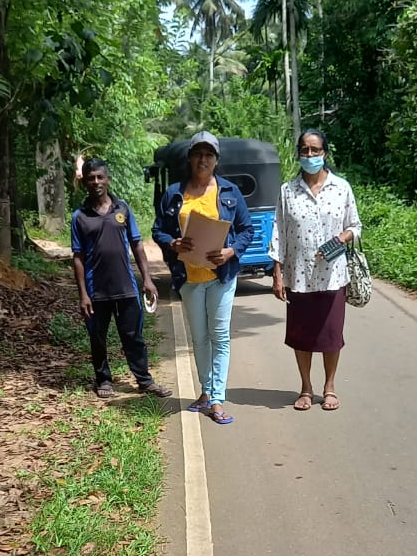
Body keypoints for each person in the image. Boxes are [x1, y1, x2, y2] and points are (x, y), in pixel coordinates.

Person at [152, 131, 254, 425]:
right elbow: (158, 230)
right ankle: (206, 393)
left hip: (221, 275)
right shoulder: (174, 193)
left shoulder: (230, 193)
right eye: (198, 153)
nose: (203, 159)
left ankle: (217, 399)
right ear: (190, 158)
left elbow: (247, 230)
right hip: (189, 277)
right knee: (199, 338)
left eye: (209, 155)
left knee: (219, 336)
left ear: (216, 160)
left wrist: (231, 251)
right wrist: (172, 243)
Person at [270, 129, 362, 412]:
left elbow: (355, 227)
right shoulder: (288, 191)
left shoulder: (341, 188)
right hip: (298, 276)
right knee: (302, 334)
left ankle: (330, 387)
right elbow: (279, 234)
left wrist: (340, 240)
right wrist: (277, 273)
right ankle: (306, 388)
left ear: (325, 152)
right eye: (304, 150)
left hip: (333, 275)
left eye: (315, 150)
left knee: (331, 334)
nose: (309, 155)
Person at [71, 157, 171, 400]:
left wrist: (147, 279)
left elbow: (137, 245)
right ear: (84, 181)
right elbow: (78, 257)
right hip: (96, 292)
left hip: (126, 288)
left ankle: (144, 381)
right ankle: (103, 379)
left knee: (133, 337)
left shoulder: (122, 209)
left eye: (100, 177)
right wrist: (83, 294)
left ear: (108, 179)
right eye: (91, 178)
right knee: (98, 338)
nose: (96, 182)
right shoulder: (80, 216)